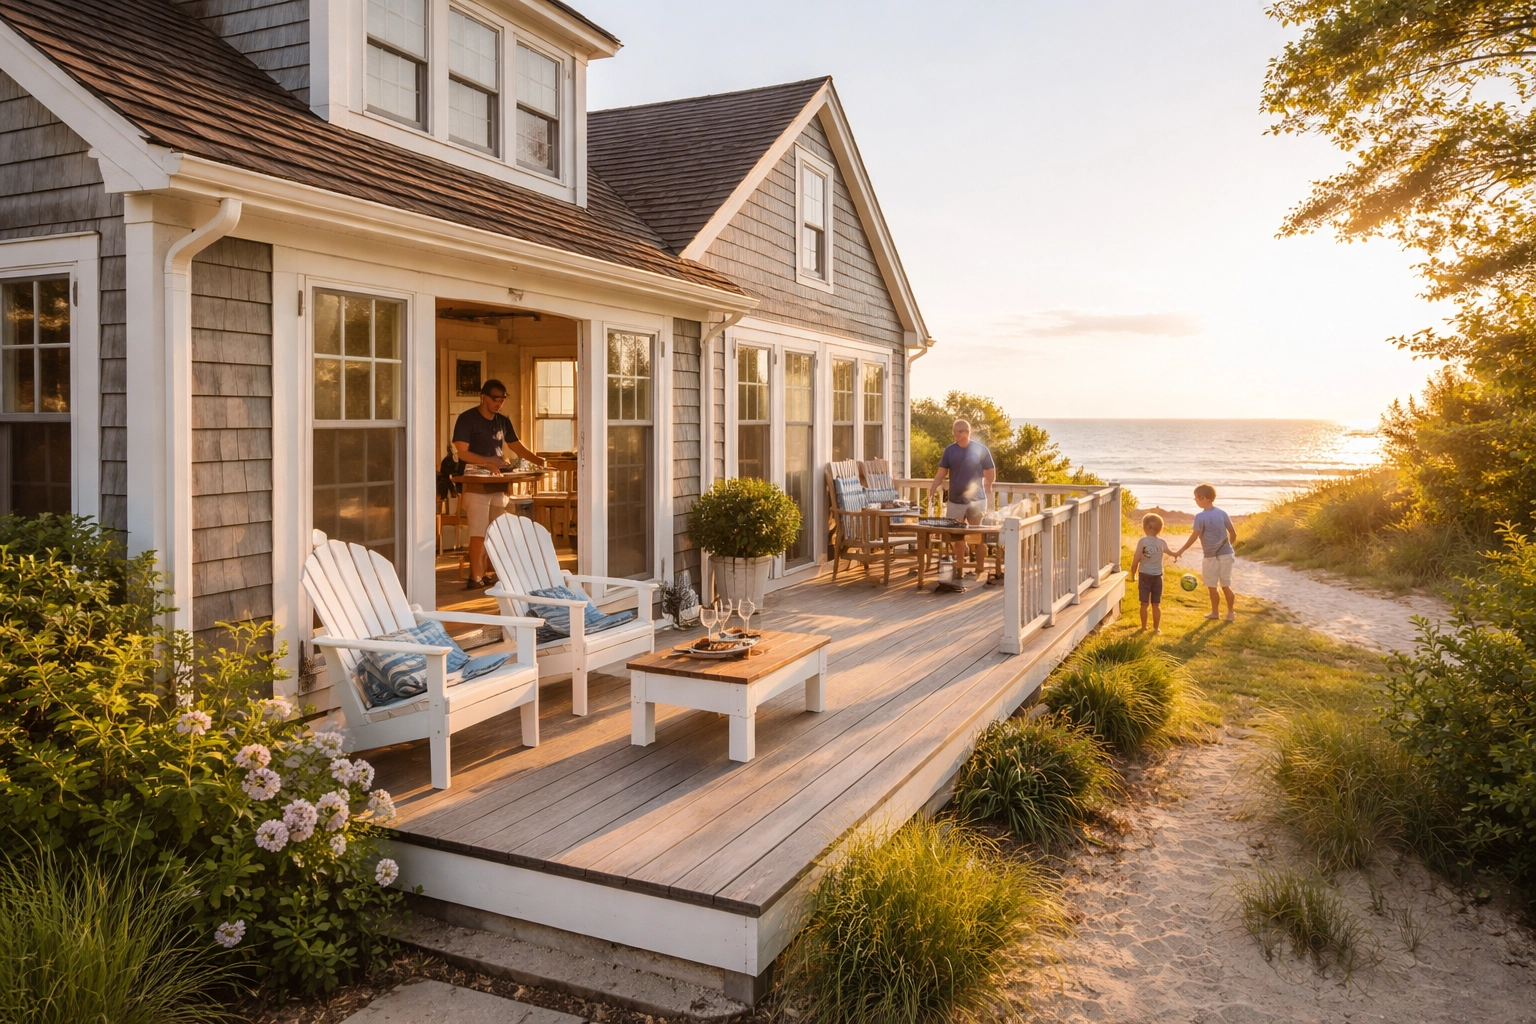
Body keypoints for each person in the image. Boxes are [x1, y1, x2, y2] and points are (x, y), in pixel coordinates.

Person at [453, 379, 547, 588]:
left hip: (498, 484)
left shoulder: (503, 422)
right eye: (495, 399)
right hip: (475, 485)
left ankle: (490, 573)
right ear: (483, 397)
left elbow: (518, 447)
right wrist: (487, 462)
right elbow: (463, 453)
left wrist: (540, 462)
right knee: (479, 532)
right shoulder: (466, 419)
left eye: (502, 400)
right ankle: (475, 577)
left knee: (496, 531)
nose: (499, 403)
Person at [929, 419, 995, 576]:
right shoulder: (950, 451)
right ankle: (959, 568)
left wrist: (988, 487)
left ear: (969, 432)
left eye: (965, 431)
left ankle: (979, 568)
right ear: (954, 433)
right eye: (959, 431)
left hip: (976, 501)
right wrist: (933, 487)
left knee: (979, 537)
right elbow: (941, 473)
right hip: (955, 501)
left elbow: (990, 473)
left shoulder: (981, 450)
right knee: (955, 536)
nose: (962, 434)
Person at [1173, 482, 1237, 621]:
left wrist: (1180, 550)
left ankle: (1215, 613)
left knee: (1212, 586)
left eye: (1196, 497)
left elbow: (1194, 536)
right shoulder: (1222, 513)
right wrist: (1227, 548)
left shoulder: (1200, 517)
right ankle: (1230, 614)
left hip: (1210, 556)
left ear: (1203, 498)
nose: (1195, 500)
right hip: (1227, 555)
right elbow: (1233, 533)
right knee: (1226, 585)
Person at [1129, 512, 1174, 633]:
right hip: (1157, 577)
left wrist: (1133, 575)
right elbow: (1170, 552)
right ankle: (1156, 628)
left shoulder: (1142, 541)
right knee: (1156, 604)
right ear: (1160, 529)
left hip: (1144, 576)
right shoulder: (1162, 542)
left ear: (1146, 527)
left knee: (1144, 603)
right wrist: (1176, 554)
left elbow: (1136, 560)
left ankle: (1143, 627)